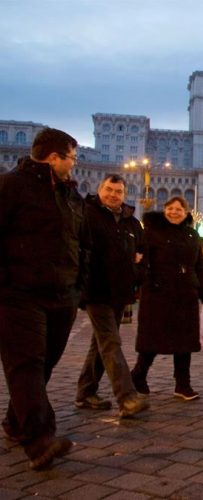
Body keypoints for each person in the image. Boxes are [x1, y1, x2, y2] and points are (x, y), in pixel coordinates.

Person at [0, 128, 86, 469]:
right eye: (72, 158)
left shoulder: (70, 193)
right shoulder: (10, 186)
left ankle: (15, 422)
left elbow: (81, 242)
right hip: (19, 294)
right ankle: (39, 441)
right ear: (54, 157)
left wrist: (79, 284)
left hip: (62, 294)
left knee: (45, 363)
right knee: (27, 364)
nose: (74, 164)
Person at [75, 174, 149, 419]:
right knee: (110, 341)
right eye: (109, 189)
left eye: (118, 191)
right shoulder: (86, 214)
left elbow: (142, 253)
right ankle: (127, 397)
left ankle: (85, 391)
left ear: (124, 194)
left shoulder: (132, 223)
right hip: (95, 289)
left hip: (120, 291)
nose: (113, 195)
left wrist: (136, 272)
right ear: (100, 189)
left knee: (100, 342)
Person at [130, 196, 203, 401]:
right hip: (158, 294)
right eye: (170, 208)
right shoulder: (151, 232)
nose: (174, 212)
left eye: (179, 209)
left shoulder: (192, 235)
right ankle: (138, 375)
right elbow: (142, 261)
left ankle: (182, 385)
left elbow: (199, 267)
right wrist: (144, 283)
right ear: (164, 210)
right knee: (153, 339)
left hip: (185, 294)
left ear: (186, 213)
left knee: (184, 342)